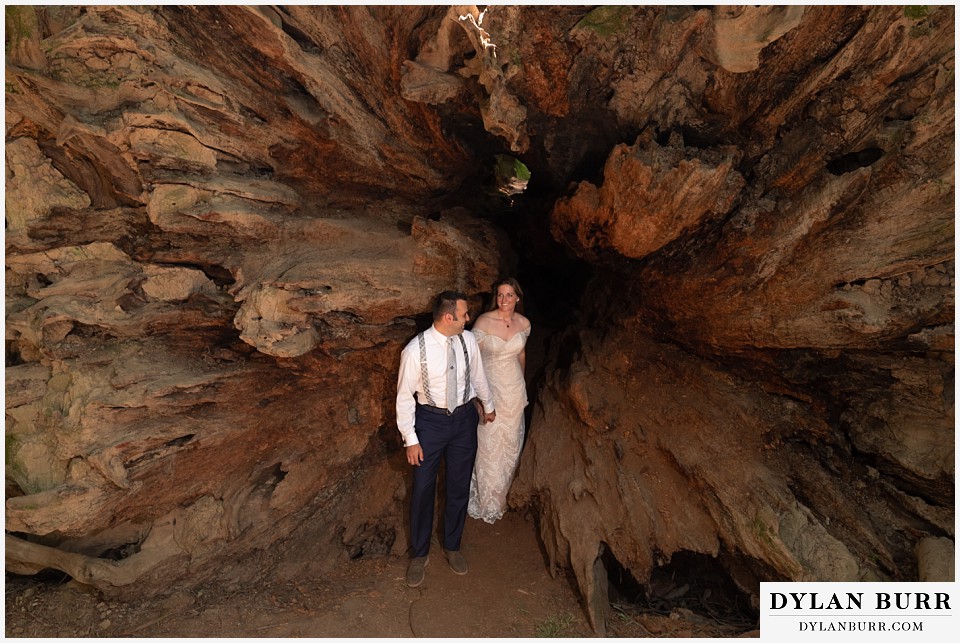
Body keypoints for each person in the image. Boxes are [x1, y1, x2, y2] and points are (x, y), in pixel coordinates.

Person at [396, 290, 496, 588]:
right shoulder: (415, 350)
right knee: (423, 488)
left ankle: (452, 545)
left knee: (458, 485)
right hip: (430, 423)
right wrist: (410, 439)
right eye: (465, 315)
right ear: (448, 317)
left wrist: (488, 405)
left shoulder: (467, 341)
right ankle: (420, 553)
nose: (469, 319)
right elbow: (404, 398)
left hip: (464, 420)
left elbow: (478, 375)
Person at [467, 277, 531, 524]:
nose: (504, 300)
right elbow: (473, 361)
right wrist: (478, 397)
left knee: (511, 441)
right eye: (501, 295)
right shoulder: (483, 321)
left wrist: (522, 383)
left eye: (509, 295)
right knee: (489, 440)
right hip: (490, 388)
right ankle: (486, 500)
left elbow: (522, 354)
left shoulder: (524, 323)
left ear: (517, 298)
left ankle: (503, 496)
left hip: (513, 389)